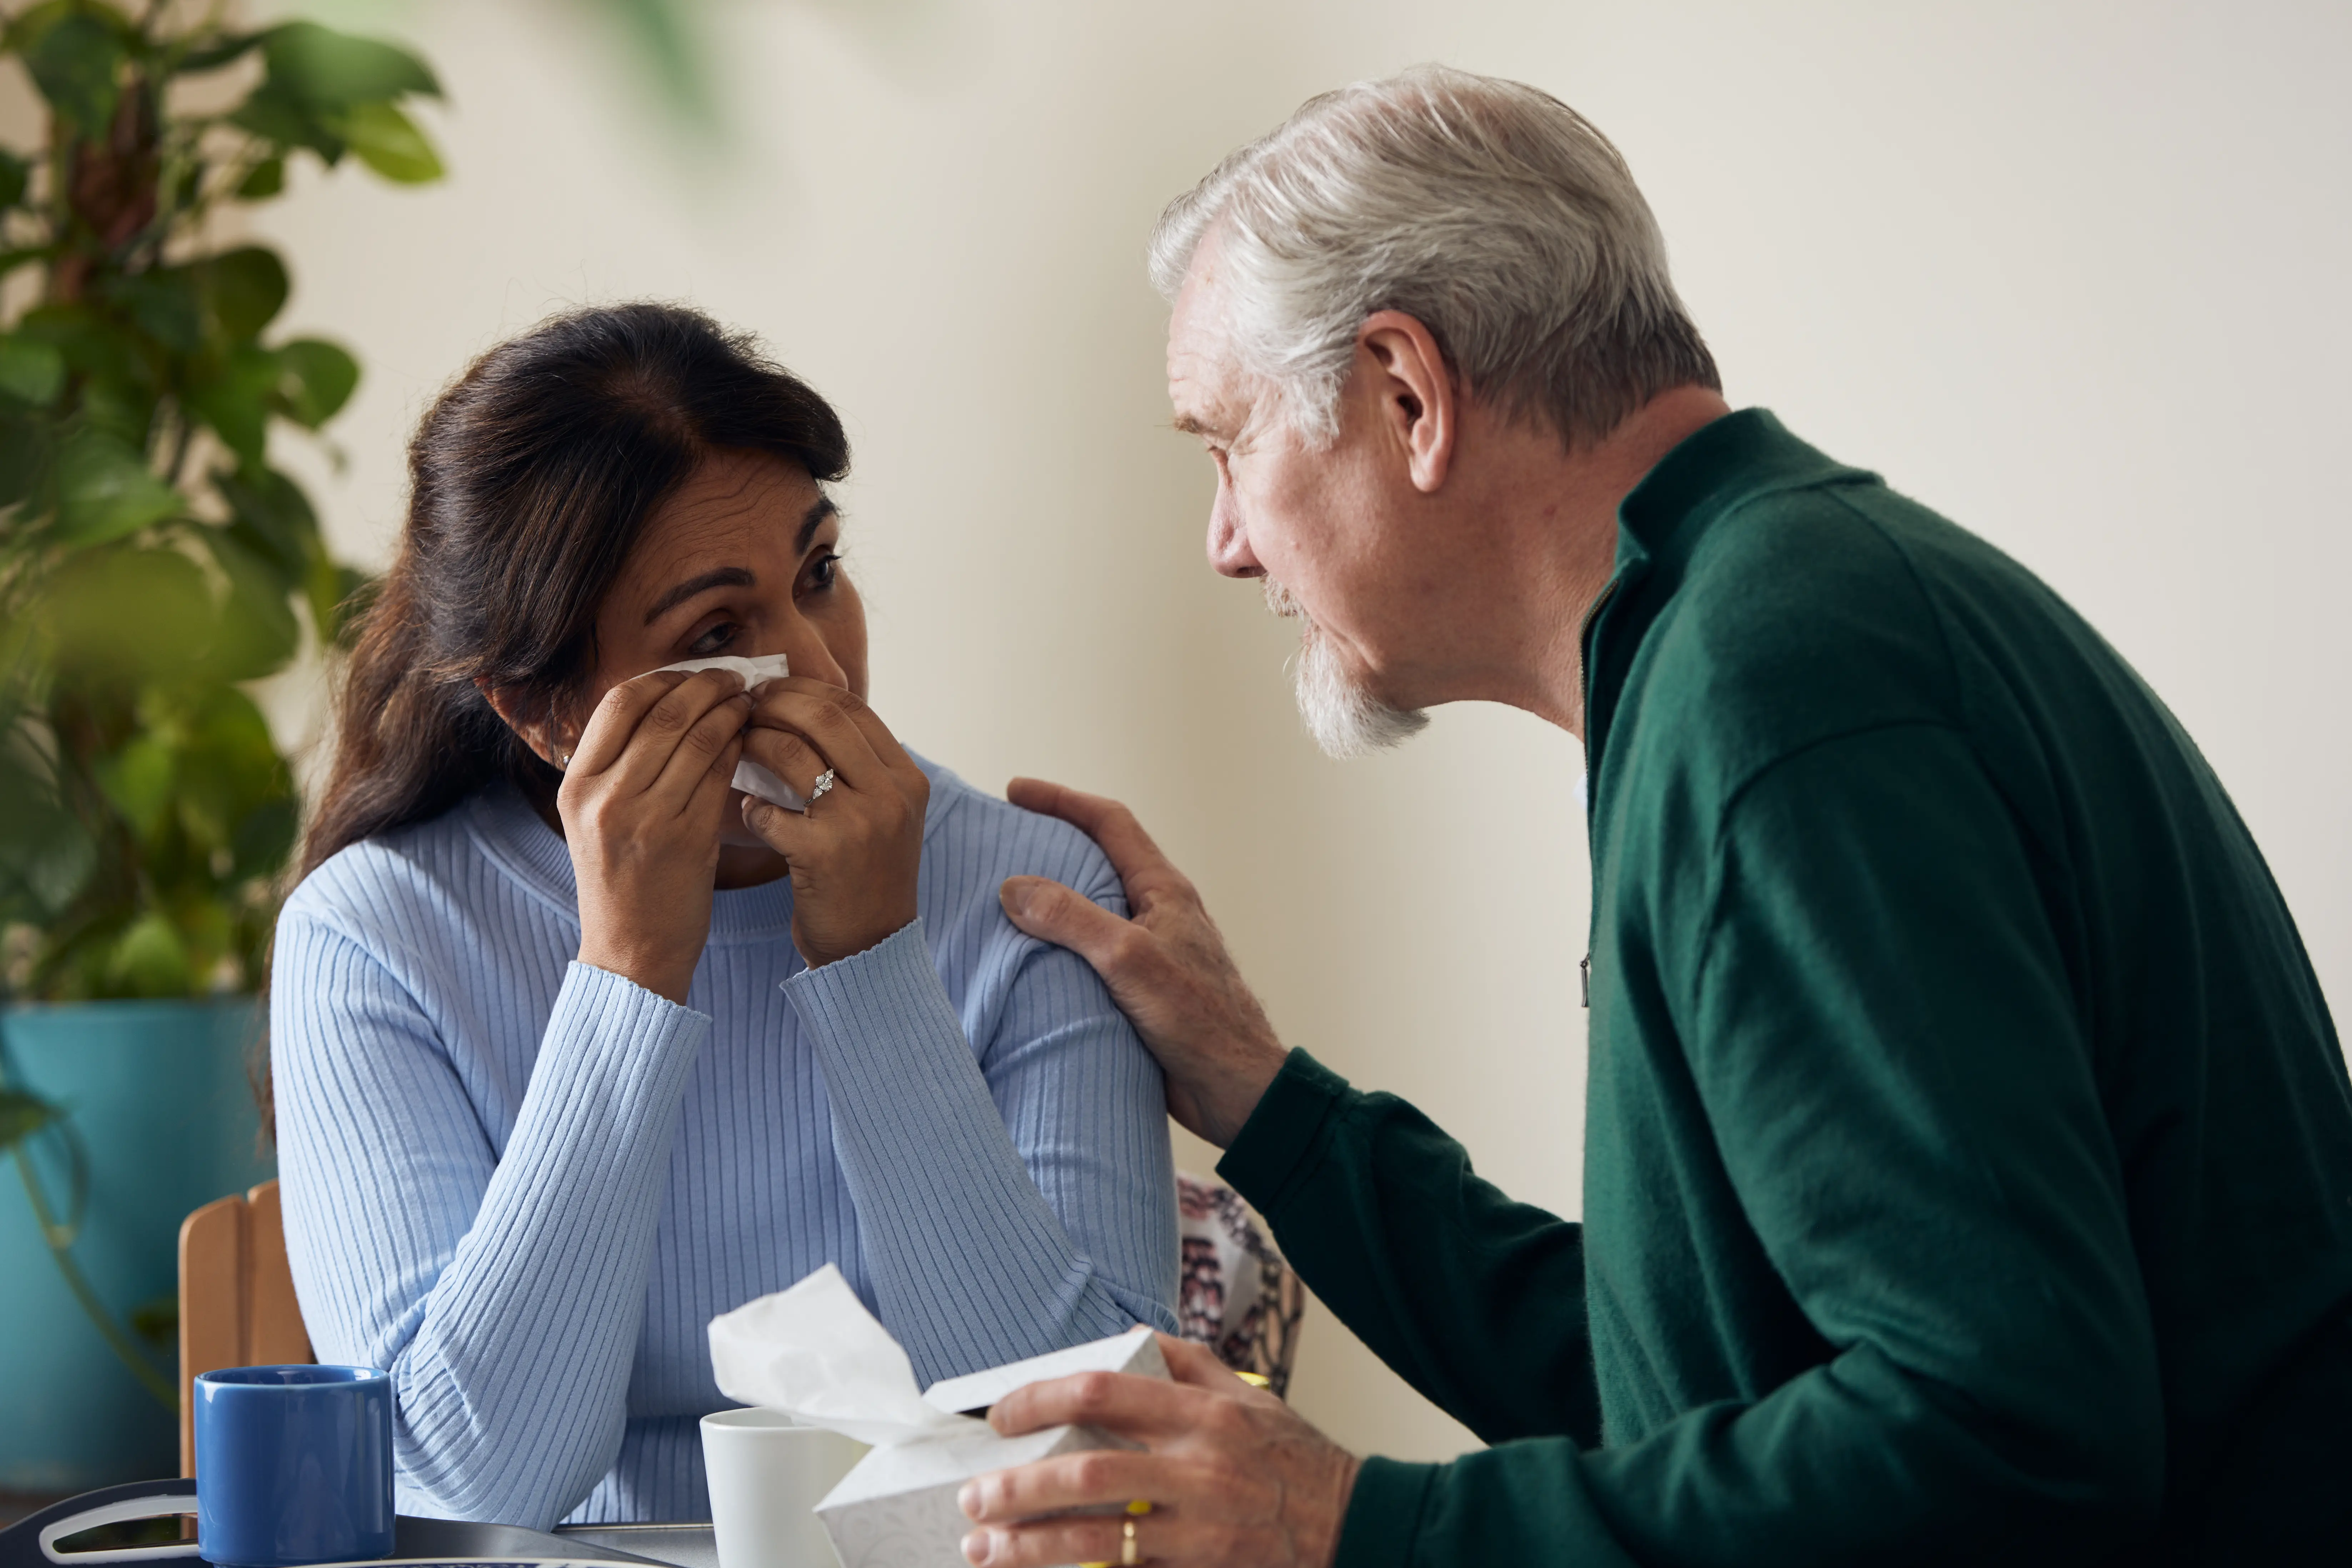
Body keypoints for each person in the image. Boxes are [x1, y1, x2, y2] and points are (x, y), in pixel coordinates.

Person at [951, 65, 2352, 1568]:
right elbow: (1695, 1390)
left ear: (1405, 396)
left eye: (1224, 444)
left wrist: (1363, 1524)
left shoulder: (1774, 696)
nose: (1225, 542)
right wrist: (1266, 1100)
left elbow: (1997, 1433)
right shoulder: (1776, 617)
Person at [268, 304, 1178, 1529]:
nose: (822, 669)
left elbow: (1096, 1436)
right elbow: (464, 1483)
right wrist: (629, 976)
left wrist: (872, 966)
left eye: (819, 574)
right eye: (717, 632)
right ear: (540, 710)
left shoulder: (1032, 893)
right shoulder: (376, 936)